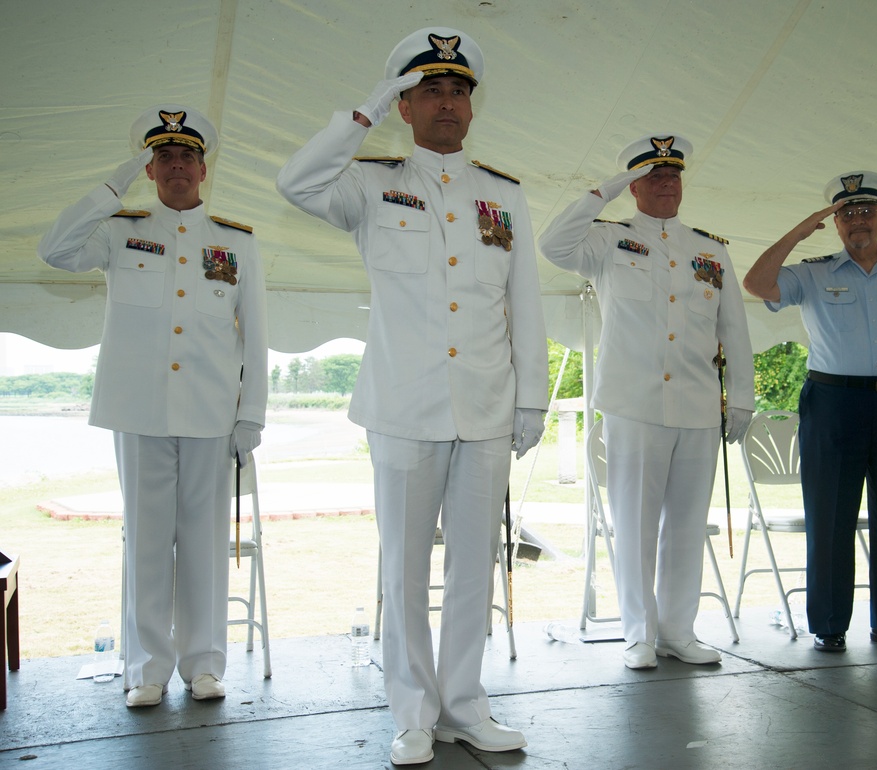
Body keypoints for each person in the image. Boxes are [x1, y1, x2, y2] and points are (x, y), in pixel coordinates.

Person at [276, 27, 548, 766]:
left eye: (459, 90)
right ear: (406, 104)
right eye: (431, 89)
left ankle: (465, 705)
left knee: (473, 567)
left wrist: (534, 399)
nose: (449, 103)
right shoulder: (368, 183)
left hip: (487, 407)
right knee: (404, 569)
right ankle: (412, 714)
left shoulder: (505, 195)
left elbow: (526, 302)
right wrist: (363, 112)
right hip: (403, 408)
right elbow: (296, 184)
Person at [37, 105, 268, 706]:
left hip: (212, 413)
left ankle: (204, 664)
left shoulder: (235, 243)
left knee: (204, 541)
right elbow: (55, 249)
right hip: (139, 410)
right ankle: (145, 668)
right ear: (149, 167)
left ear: (203, 166)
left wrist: (252, 415)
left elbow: (256, 334)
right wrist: (113, 185)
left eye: (186, 156)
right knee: (145, 540)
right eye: (163, 156)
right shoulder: (119, 229)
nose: (175, 166)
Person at [538, 134, 755, 671]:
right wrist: (605, 191)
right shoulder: (608, 240)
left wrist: (742, 399)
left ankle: (679, 630)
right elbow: (552, 245)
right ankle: (638, 633)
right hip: (634, 405)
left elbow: (736, 330)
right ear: (634, 185)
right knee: (634, 523)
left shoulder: (711, 250)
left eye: (673, 175)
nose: (666, 184)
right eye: (654, 176)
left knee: (686, 524)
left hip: (699, 407)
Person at [742, 170, 877, 653]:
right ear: (834, 223)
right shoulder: (812, 272)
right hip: (834, 404)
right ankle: (830, 625)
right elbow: (756, 283)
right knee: (831, 515)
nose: (859, 220)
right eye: (848, 213)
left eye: (867, 211)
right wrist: (799, 232)